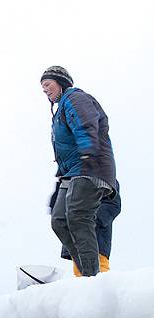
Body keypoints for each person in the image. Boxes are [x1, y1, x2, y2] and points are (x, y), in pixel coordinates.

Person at [41, 66, 117, 277]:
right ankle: (86, 272)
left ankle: (91, 278)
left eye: (47, 84)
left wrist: (88, 152)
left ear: (61, 82)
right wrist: (59, 183)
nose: (44, 90)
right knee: (59, 220)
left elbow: (85, 124)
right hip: (73, 172)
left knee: (77, 217)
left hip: (90, 166)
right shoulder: (60, 110)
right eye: (42, 87)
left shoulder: (75, 98)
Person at [61, 183, 121, 276]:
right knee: (80, 276)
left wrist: (90, 222)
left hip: (96, 241)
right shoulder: (73, 178)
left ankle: (104, 289)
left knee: (99, 274)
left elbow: (112, 204)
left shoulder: (105, 176)